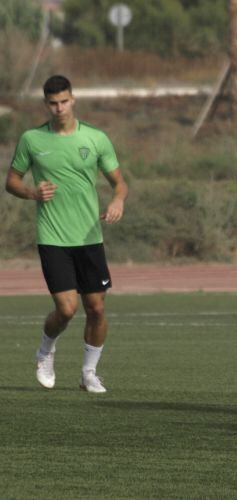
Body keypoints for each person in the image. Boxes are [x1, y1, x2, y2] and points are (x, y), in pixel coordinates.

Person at [5, 75, 128, 393]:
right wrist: (32, 193)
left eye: (64, 101)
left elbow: (119, 182)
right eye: (53, 103)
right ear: (46, 104)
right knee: (67, 309)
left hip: (90, 238)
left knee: (97, 309)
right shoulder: (32, 139)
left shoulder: (96, 138)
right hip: (53, 237)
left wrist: (117, 200)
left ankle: (89, 373)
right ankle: (45, 351)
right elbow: (12, 182)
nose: (59, 108)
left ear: (73, 100)